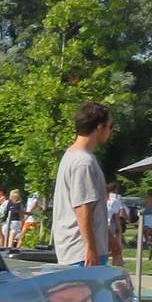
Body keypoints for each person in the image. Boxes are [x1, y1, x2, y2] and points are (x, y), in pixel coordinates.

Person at [52, 102, 113, 267]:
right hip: (82, 254)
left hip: (81, 251)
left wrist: (111, 241)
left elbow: (94, 210)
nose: (111, 131)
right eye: (110, 126)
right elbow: (82, 208)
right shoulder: (83, 162)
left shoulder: (72, 155)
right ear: (100, 127)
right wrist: (90, 247)